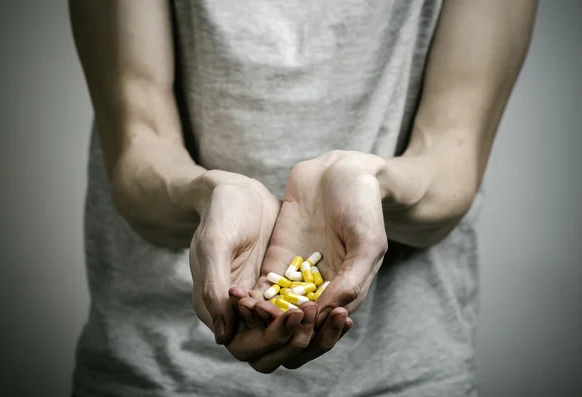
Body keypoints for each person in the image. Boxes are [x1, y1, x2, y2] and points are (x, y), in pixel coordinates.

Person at [69, 0, 537, 396]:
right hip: (156, 370)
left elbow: (451, 156)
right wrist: (208, 194)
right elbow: (139, 143)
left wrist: (367, 181)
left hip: (405, 374)